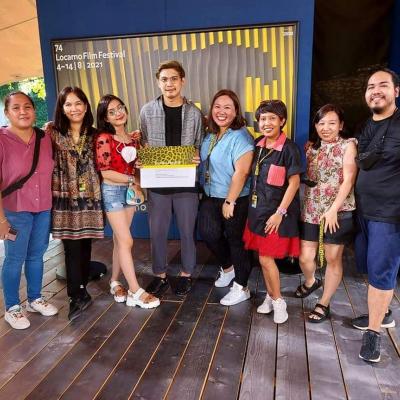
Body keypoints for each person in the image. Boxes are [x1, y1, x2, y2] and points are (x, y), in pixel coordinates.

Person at [140, 60, 203, 296]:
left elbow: (199, 144)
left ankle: (187, 274)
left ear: (182, 81)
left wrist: (198, 156)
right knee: (157, 233)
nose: (169, 84)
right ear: (158, 82)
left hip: (186, 184)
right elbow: (143, 143)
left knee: (187, 232)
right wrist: (142, 158)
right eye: (164, 79)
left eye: (174, 79)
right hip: (157, 185)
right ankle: (160, 274)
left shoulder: (194, 113)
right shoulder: (147, 111)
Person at [351, 68, 400, 363]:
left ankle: (373, 334)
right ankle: (383, 313)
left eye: (383, 85)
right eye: (371, 86)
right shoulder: (366, 125)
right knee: (371, 267)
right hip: (364, 211)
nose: (376, 91)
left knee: (381, 271)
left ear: (396, 91)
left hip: (390, 214)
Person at [0, 91, 58, 330]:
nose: (22, 112)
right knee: (14, 258)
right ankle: (12, 307)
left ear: (34, 110)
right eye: (16, 108)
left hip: (42, 208)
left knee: (36, 254)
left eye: (27, 107)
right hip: (14, 211)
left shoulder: (45, 138)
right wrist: (1, 220)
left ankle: (35, 299)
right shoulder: (2, 140)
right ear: (7, 113)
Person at [45, 86, 104, 321]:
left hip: (89, 196)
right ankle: (75, 295)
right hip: (64, 196)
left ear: (86, 106)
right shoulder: (52, 132)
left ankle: (82, 287)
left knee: (86, 242)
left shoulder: (95, 134)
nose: (74, 108)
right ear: (62, 108)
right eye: (68, 104)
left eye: (78, 103)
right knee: (70, 246)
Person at [96, 94, 160, 308]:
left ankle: (114, 281)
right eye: (111, 111)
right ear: (105, 117)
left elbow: (137, 167)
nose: (118, 113)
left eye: (120, 108)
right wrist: (132, 180)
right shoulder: (104, 138)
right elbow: (106, 173)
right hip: (113, 192)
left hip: (131, 192)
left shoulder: (133, 139)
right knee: (127, 241)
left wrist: (139, 180)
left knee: (119, 240)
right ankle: (135, 290)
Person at [295, 104, 357, 323]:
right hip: (311, 209)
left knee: (332, 258)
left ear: (341, 125)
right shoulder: (311, 148)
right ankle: (311, 281)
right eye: (321, 123)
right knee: (305, 258)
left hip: (338, 211)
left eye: (332, 123)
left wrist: (333, 210)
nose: (326, 127)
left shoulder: (348, 145)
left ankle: (324, 303)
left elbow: (349, 180)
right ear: (315, 126)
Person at [243, 100, 302, 324]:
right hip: (257, 212)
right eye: (263, 119)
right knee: (262, 258)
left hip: (277, 215)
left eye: (272, 118)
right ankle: (270, 295)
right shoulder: (257, 145)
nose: (266, 123)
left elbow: (294, 183)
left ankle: (278, 301)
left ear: (282, 121)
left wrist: (280, 212)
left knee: (266, 259)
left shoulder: (289, 148)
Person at [199, 89, 254, 306]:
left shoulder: (240, 136)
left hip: (235, 198)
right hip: (210, 194)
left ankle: (242, 287)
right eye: (217, 107)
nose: (221, 112)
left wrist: (230, 201)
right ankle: (228, 269)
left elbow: (242, 172)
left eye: (227, 107)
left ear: (236, 111)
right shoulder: (211, 135)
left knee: (236, 241)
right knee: (209, 233)